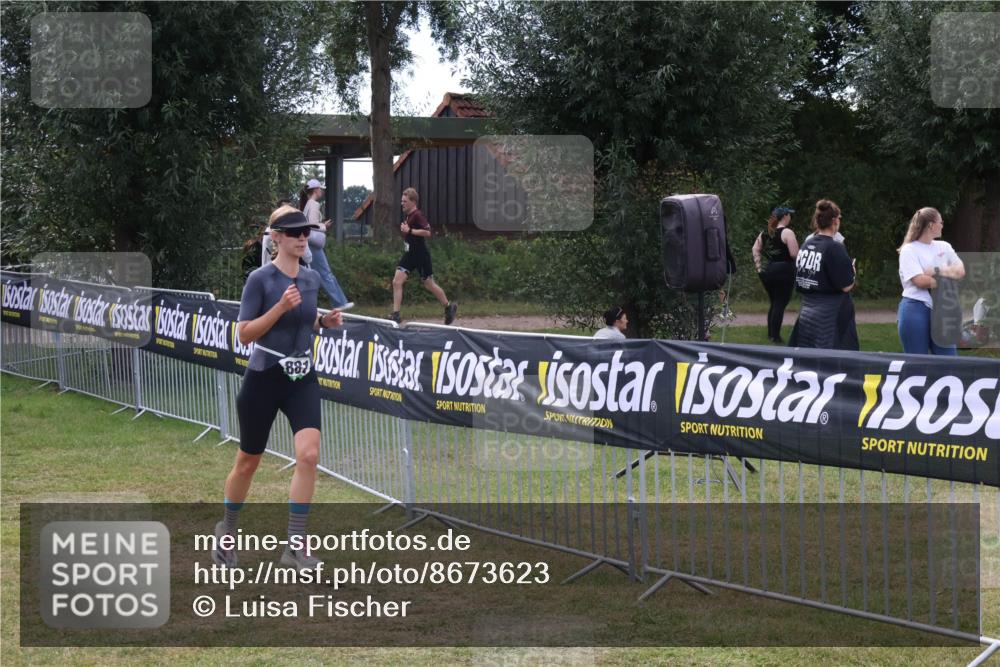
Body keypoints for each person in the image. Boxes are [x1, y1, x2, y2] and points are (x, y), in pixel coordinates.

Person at [215, 204, 344, 571]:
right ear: (276, 238)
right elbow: (243, 335)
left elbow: (305, 322)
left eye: (306, 232)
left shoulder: (311, 278)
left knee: (309, 455)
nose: (304, 237)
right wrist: (278, 309)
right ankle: (226, 534)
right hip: (264, 377)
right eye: (295, 233)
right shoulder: (261, 280)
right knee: (247, 463)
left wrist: (324, 321)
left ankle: (295, 548)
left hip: (302, 376)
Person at [788, 199, 858, 350]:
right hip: (829, 317)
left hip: (807, 312)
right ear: (834, 221)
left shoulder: (807, 244)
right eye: (839, 218)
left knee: (807, 361)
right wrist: (853, 273)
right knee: (830, 364)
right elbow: (846, 286)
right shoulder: (835, 247)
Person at [896, 206, 966, 355]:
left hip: (943, 310)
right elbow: (920, 281)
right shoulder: (909, 250)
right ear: (931, 225)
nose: (942, 225)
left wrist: (937, 271)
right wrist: (948, 279)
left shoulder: (944, 246)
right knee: (917, 364)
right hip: (916, 308)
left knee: (948, 364)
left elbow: (960, 271)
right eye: (941, 221)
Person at [389, 187, 457, 325]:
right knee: (397, 282)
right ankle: (396, 315)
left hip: (420, 255)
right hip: (410, 254)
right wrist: (406, 230)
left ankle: (449, 306)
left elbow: (427, 232)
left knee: (429, 284)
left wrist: (410, 230)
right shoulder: (409, 215)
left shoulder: (417, 215)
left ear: (413, 202)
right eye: (402, 201)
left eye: (405, 201)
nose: (402, 203)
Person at [752, 206, 800, 343]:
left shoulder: (766, 232)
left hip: (768, 270)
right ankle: (775, 336)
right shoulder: (787, 232)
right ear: (785, 216)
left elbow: (755, 249)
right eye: (789, 215)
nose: (790, 217)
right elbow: (794, 254)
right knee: (780, 303)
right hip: (784, 271)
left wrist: (759, 268)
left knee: (774, 302)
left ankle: (771, 334)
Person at [299, 179, 350, 308]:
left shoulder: (307, 205)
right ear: (316, 190)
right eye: (320, 189)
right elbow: (312, 225)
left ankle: (339, 302)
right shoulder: (314, 204)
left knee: (318, 274)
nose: (321, 191)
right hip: (313, 244)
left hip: (308, 243)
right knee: (326, 274)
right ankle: (339, 303)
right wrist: (324, 226)